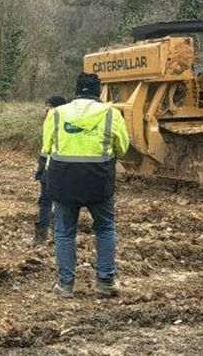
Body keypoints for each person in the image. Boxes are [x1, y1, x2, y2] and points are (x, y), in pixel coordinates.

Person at [42, 73, 129, 298]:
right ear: (99, 91)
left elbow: (46, 146)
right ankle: (105, 282)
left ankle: (65, 285)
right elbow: (123, 148)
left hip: (63, 180)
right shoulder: (112, 113)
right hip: (98, 180)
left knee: (64, 231)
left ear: (76, 89)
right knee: (105, 228)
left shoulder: (57, 113)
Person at [31, 95, 67, 247]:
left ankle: (42, 237)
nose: (46, 109)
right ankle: (57, 236)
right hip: (65, 167)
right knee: (59, 202)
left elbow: (47, 147)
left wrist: (42, 166)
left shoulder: (53, 120)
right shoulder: (68, 119)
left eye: (49, 106)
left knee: (46, 201)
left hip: (51, 165)